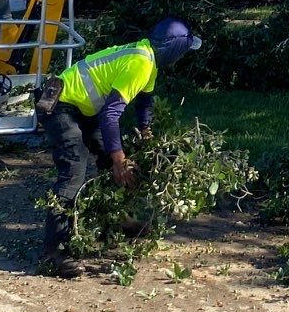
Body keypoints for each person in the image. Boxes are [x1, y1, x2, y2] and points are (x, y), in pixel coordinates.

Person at [37, 16, 203, 278]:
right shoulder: (141, 62)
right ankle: (55, 253)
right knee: (73, 176)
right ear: (174, 49)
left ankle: (119, 222)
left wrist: (146, 134)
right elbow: (111, 115)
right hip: (62, 106)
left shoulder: (148, 59)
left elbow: (144, 102)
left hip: (82, 107)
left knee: (107, 158)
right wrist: (119, 159)